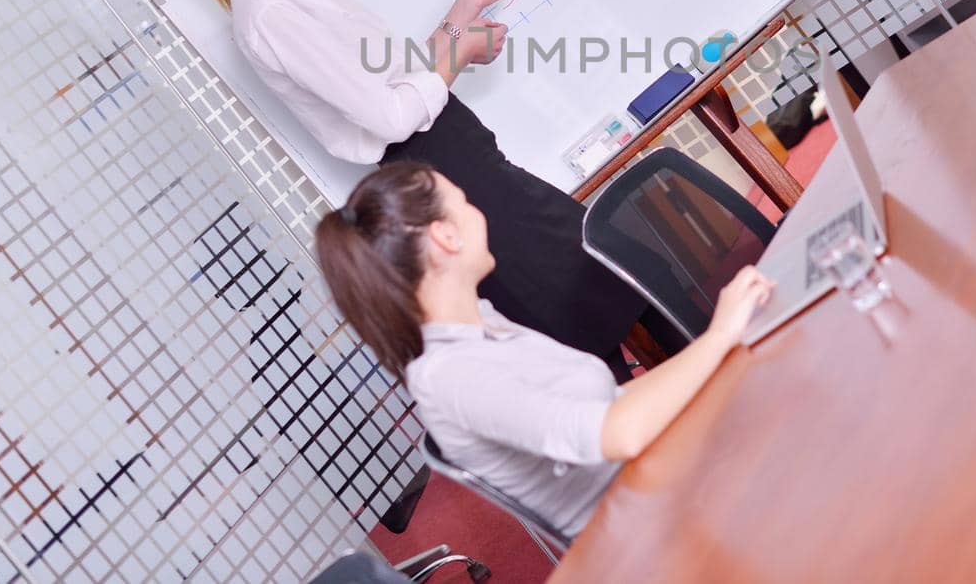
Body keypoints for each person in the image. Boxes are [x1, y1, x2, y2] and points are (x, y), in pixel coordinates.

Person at [163, 0, 650, 373]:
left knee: (619, 300)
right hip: (456, 187)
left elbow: (403, 79)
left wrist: (468, 5)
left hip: (474, 177)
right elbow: (393, 118)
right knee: (596, 346)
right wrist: (461, 52)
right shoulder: (270, 16)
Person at [313, 161, 774, 537]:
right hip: (646, 529)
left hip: (665, 480)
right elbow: (617, 434)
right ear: (445, 237)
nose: (478, 213)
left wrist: (720, 350)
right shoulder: (448, 377)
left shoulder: (483, 321)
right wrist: (717, 337)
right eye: (465, 203)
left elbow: (615, 405)